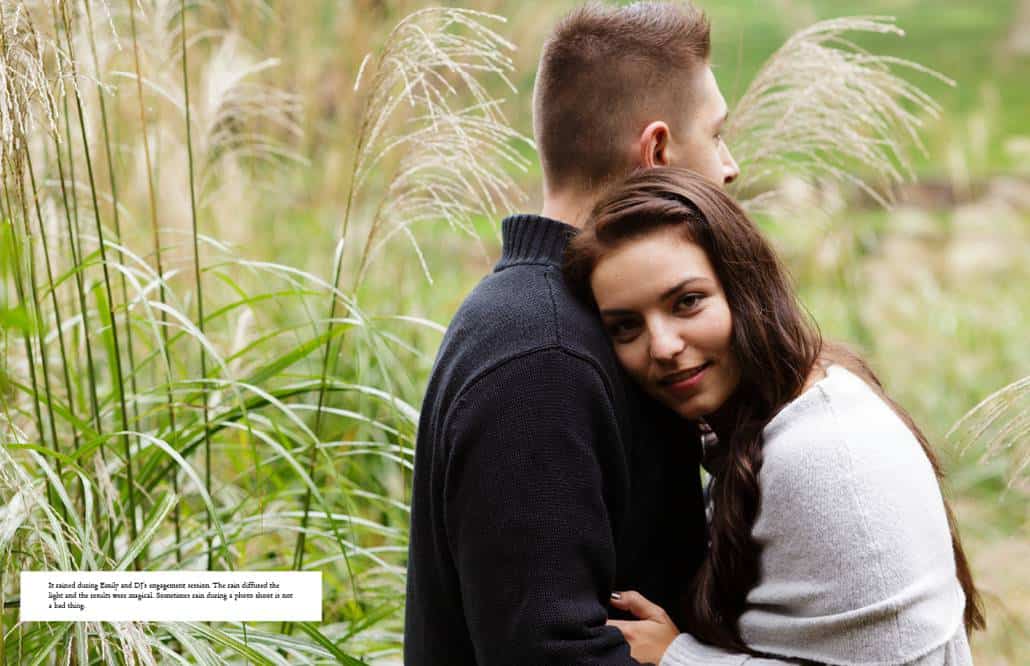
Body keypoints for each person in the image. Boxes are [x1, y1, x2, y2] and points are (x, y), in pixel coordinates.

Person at [403, 2, 739, 664]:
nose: (729, 167)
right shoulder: (542, 358)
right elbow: (547, 653)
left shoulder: (591, 326)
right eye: (718, 135)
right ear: (659, 149)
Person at [563, 167, 985, 665]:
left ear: (745, 289)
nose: (663, 346)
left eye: (688, 302)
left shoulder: (827, 453)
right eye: (626, 327)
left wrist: (679, 657)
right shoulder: (785, 407)